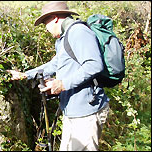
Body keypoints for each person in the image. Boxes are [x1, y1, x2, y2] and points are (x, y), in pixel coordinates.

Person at [7, 1, 110, 151]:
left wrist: (62, 84)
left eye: (45, 23)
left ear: (54, 18)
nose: (46, 28)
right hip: (72, 111)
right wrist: (25, 75)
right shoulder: (63, 39)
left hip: (86, 112)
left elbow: (94, 64)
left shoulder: (78, 32)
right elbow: (53, 65)